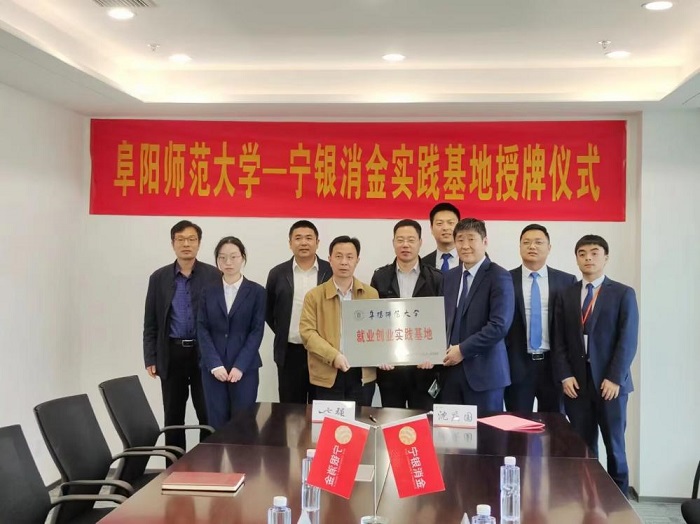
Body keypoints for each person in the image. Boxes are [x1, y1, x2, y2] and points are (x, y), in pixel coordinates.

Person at [552, 235, 638, 496]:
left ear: (606, 257)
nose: (588, 258)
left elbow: (627, 339)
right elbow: (558, 339)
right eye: (582, 253)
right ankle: (586, 499)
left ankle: (620, 502)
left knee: (615, 446)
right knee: (583, 447)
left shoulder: (622, 293)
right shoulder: (566, 294)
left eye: (594, 252)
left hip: (611, 385)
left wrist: (615, 378)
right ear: (576, 258)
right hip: (577, 385)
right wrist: (565, 375)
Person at [143, 220, 221, 450]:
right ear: (173, 243)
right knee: (173, 416)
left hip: (203, 354)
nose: (186, 244)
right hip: (171, 353)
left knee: (207, 413)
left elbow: (220, 320)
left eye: (191, 239)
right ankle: (175, 464)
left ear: (199, 243)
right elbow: (151, 321)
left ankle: (208, 464)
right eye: (181, 239)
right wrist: (150, 357)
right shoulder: (158, 278)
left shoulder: (213, 275)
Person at [441, 218, 514, 412]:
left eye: (471, 239)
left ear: (485, 241)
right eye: (460, 240)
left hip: (485, 375)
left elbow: (499, 326)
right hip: (450, 374)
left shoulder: (499, 276)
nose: (465, 246)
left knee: (486, 431)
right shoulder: (449, 277)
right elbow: (441, 321)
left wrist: (462, 350)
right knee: (450, 430)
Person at [370, 219, 443, 410]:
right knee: (391, 419)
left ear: (420, 242)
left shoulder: (435, 278)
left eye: (411, 240)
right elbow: (373, 320)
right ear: (393, 242)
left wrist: (434, 356)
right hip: (390, 370)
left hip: (424, 369)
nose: (405, 245)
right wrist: (380, 354)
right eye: (400, 240)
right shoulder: (380, 277)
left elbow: (442, 321)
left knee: (422, 421)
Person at [504, 224, 576, 412]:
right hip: (517, 365)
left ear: (549, 247)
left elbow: (571, 327)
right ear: (519, 247)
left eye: (538, 242)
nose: (532, 246)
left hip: (553, 366)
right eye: (526, 242)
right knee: (517, 424)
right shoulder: (505, 279)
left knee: (554, 424)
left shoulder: (566, 281)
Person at [300, 236, 378, 405]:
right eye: (338, 256)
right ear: (330, 259)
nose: (344, 262)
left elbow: (379, 331)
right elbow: (308, 334)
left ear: (357, 260)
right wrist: (333, 356)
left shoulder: (371, 294)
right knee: (330, 421)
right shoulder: (314, 296)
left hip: (361, 374)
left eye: (349, 257)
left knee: (360, 420)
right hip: (327, 371)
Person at [197, 236, 266, 429]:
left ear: (243, 258)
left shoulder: (257, 291)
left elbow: (257, 331)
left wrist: (240, 366)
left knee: (243, 424)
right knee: (216, 424)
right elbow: (202, 328)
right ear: (217, 260)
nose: (228, 262)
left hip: (245, 369)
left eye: (233, 256)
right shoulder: (207, 291)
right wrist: (214, 364)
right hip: (213, 370)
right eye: (222, 257)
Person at [265, 220, 332, 404]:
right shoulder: (277, 273)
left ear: (317, 242)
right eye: (298, 238)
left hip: (323, 353)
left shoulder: (330, 271)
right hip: (290, 352)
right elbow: (268, 310)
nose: (303, 243)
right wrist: (284, 331)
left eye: (309, 238)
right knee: (291, 410)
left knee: (321, 408)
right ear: (290, 243)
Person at [422, 202, 461, 272]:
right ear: (431, 228)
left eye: (451, 223)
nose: (445, 228)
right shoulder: (423, 264)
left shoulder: (473, 260)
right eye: (439, 223)